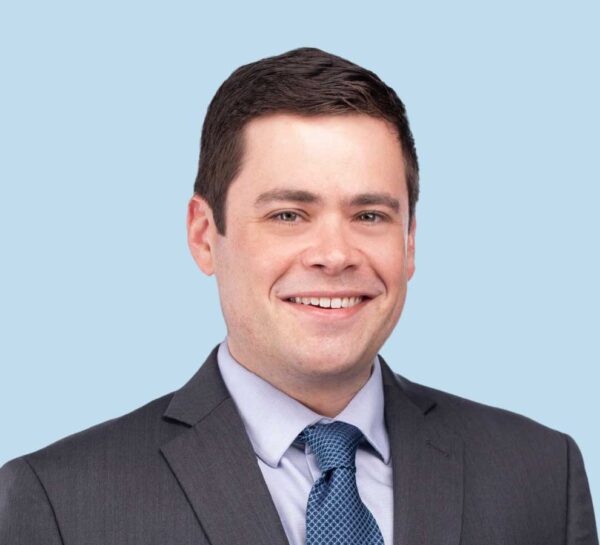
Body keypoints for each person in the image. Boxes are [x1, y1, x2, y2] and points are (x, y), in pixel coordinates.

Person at [0, 47, 597, 545]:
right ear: (205, 236)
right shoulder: (60, 503)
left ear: (410, 242)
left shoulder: (543, 476)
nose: (334, 254)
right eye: (289, 214)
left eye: (369, 214)